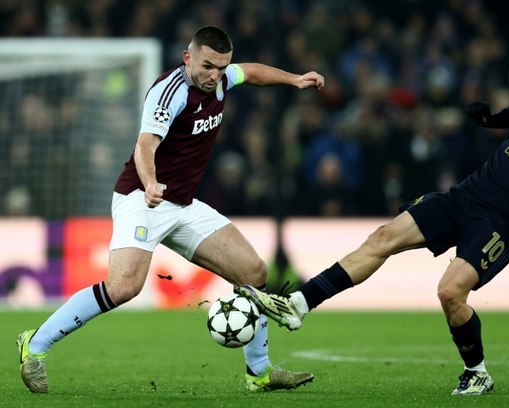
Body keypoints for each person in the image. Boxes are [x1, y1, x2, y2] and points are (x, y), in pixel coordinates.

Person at [236, 25, 509, 396]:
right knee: (383, 237)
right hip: (471, 192)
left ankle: (477, 373)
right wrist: (490, 119)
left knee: (450, 293)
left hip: (506, 220)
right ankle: (297, 305)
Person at [17, 26, 324, 394]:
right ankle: (34, 345)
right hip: (144, 198)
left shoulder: (223, 78)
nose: (215, 75)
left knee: (253, 272)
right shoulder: (170, 93)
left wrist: (294, 80)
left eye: (222, 68)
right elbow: (145, 146)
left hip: (182, 203)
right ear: (188, 57)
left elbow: (251, 71)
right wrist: (149, 183)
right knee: (124, 287)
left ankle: (258, 372)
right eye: (208, 66)